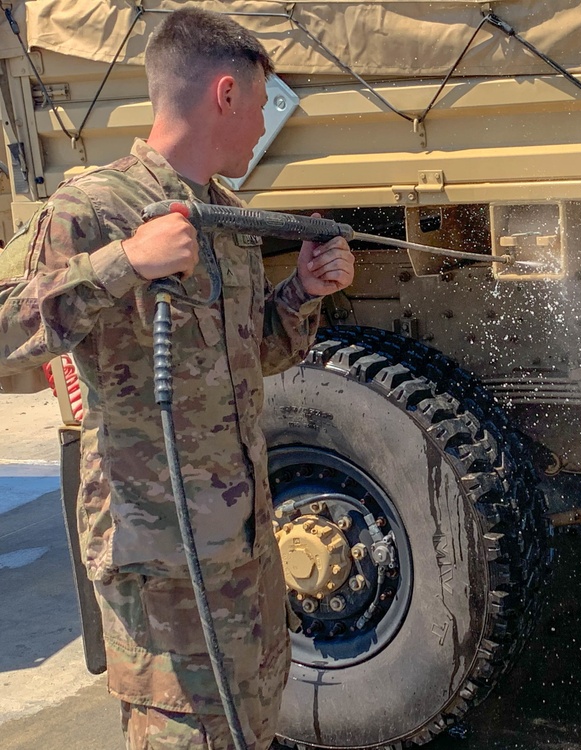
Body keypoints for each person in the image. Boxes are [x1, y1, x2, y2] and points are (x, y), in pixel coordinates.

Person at [0, 8, 354, 749]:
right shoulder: (94, 209)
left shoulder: (228, 219)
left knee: (251, 727)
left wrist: (304, 295)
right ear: (225, 93)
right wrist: (125, 261)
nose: (262, 127)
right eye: (259, 106)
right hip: (160, 565)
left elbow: (249, 356)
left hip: (246, 555)